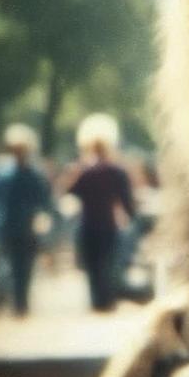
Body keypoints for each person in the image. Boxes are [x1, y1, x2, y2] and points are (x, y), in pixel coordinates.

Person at [65, 114, 136, 312]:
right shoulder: (117, 171)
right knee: (107, 263)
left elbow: (71, 192)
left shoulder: (84, 172)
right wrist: (130, 216)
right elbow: (125, 199)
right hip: (107, 223)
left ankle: (97, 300)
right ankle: (107, 300)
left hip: (88, 223)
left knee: (93, 265)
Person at [0, 124, 54, 315]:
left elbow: (44, 201)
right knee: (8, 265)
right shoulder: (3, 173)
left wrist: (42, 224)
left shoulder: (34, 174)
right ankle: (7, 302)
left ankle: (20, 303)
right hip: (8, 225)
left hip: (26, 226)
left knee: (24, 266)